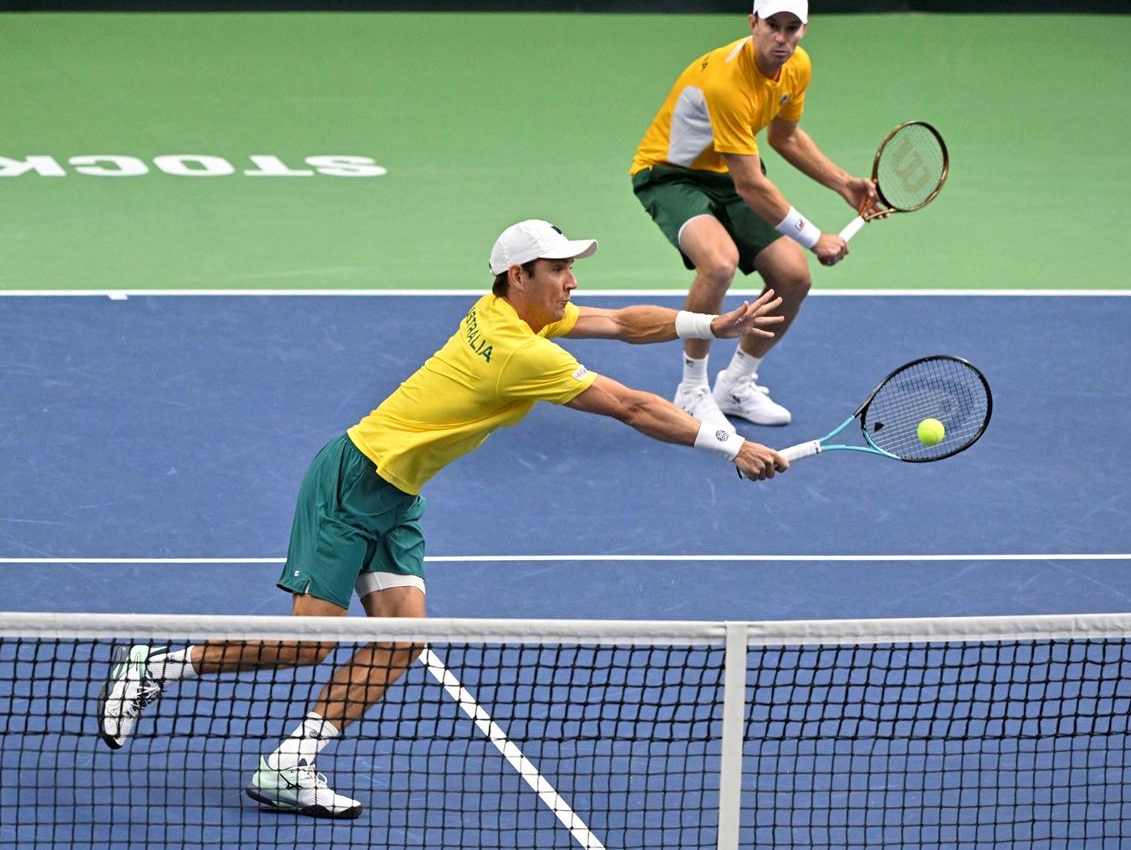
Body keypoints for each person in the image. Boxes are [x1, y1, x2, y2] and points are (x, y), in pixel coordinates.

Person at [97, 218, 790, 819]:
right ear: (519, 275)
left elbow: (618, 322)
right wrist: (731, 443)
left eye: (573, 266)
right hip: (352, 481)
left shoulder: (504, 312)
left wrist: (709, 323)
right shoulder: (521, 353)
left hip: (396, 496)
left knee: (403, 639)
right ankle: (157, 664)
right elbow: (632, 406)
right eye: (559, 269)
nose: (572, 280)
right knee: (308, 642)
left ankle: (289, 763)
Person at [629, 0, 879, 433]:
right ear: (753, 23)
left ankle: (736, 385)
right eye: (772, 27)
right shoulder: (726, 82)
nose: (782, 39)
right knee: (719, 263)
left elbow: (784, 137)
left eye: (792, 28)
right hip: (669, 175)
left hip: (726, 173)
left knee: (793, 277)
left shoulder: (797, 66)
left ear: (804, 29)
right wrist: (815, 237)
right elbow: (752, 186)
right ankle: (691, 389)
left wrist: (843, 183)